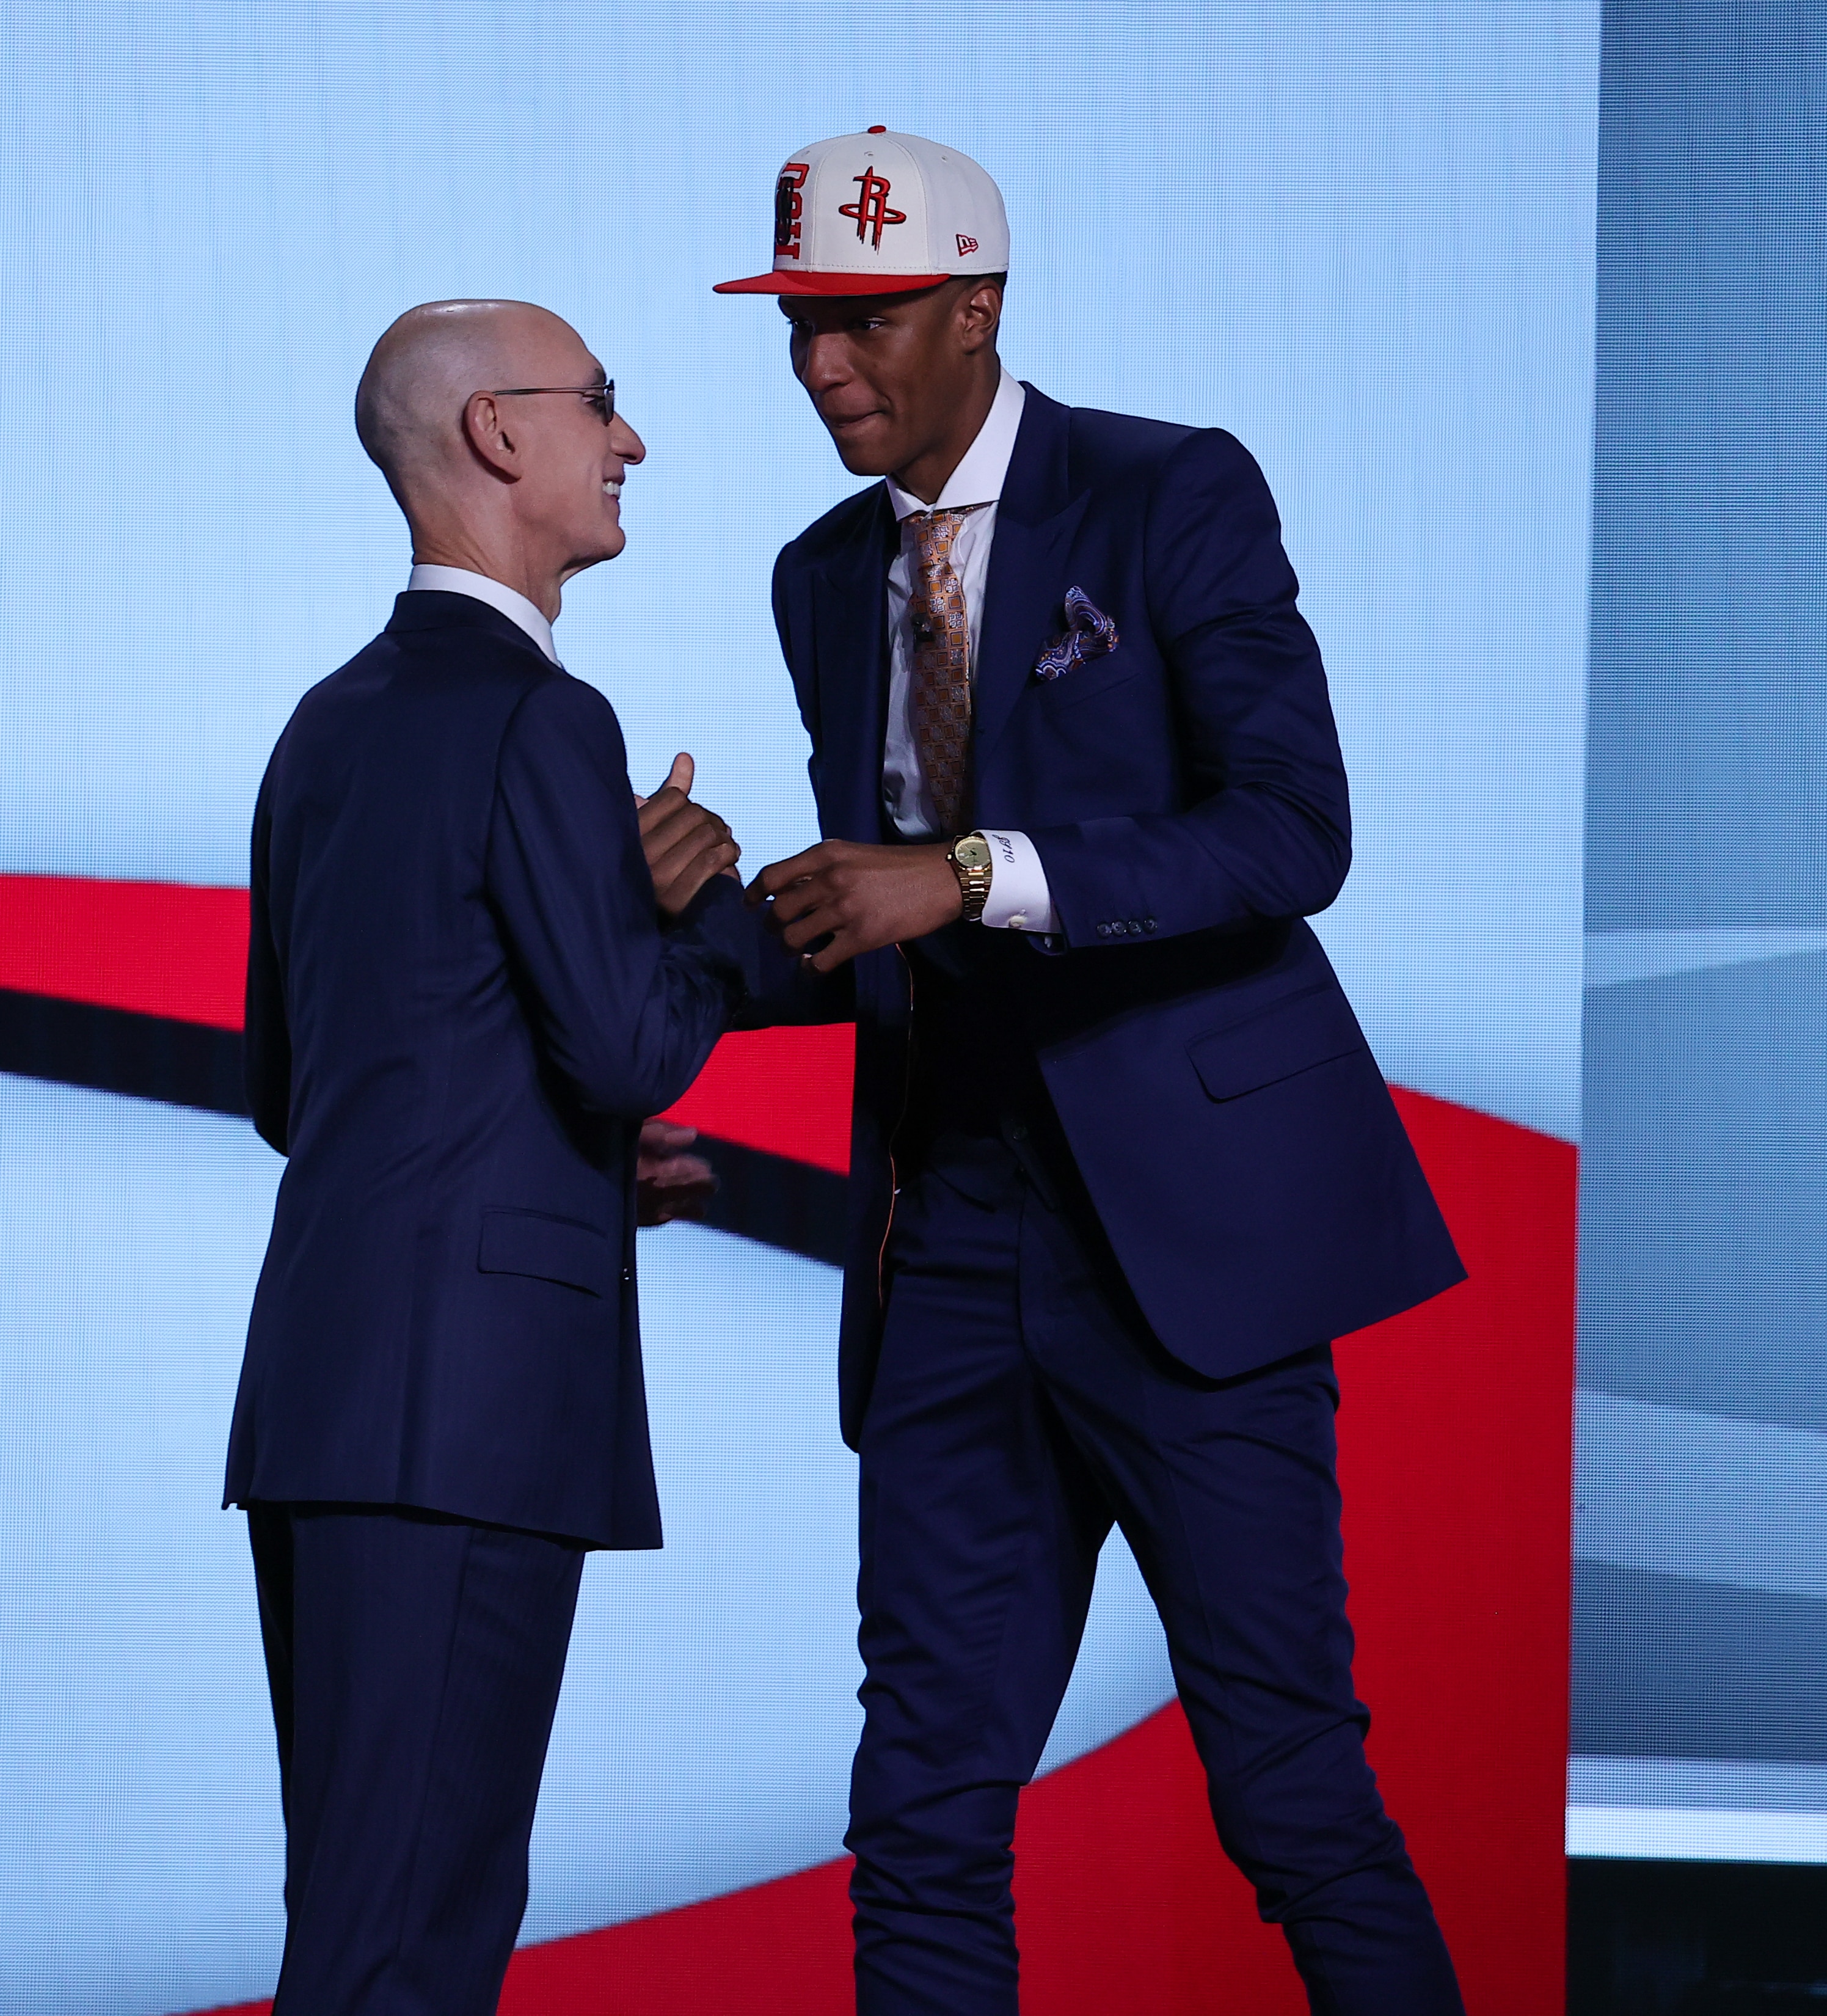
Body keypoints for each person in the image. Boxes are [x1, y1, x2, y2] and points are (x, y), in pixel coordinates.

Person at [714, 131, 1471, 2013]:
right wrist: (661, 931)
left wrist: (973, 870)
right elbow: (865, 924)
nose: (823, 368)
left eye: (862, 321)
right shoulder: (821, 580)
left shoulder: (1168, 494)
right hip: (948, 1245)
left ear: (977, 306)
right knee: (922, 1819)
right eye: (800, 327)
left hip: (1186, 1256)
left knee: (1294, 1793)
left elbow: (1292, 832)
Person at [224, 298, 748, 2012]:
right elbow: (629, 1039)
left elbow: (311, 1089)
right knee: (412, 1942)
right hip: (462, 1418)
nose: (634, 441)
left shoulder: (324, 723)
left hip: (329, 1392)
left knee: (373, 1915)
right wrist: (706, 926)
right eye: (604, 405)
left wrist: (576, 1160)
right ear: (500, 437)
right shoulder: (549, 720)